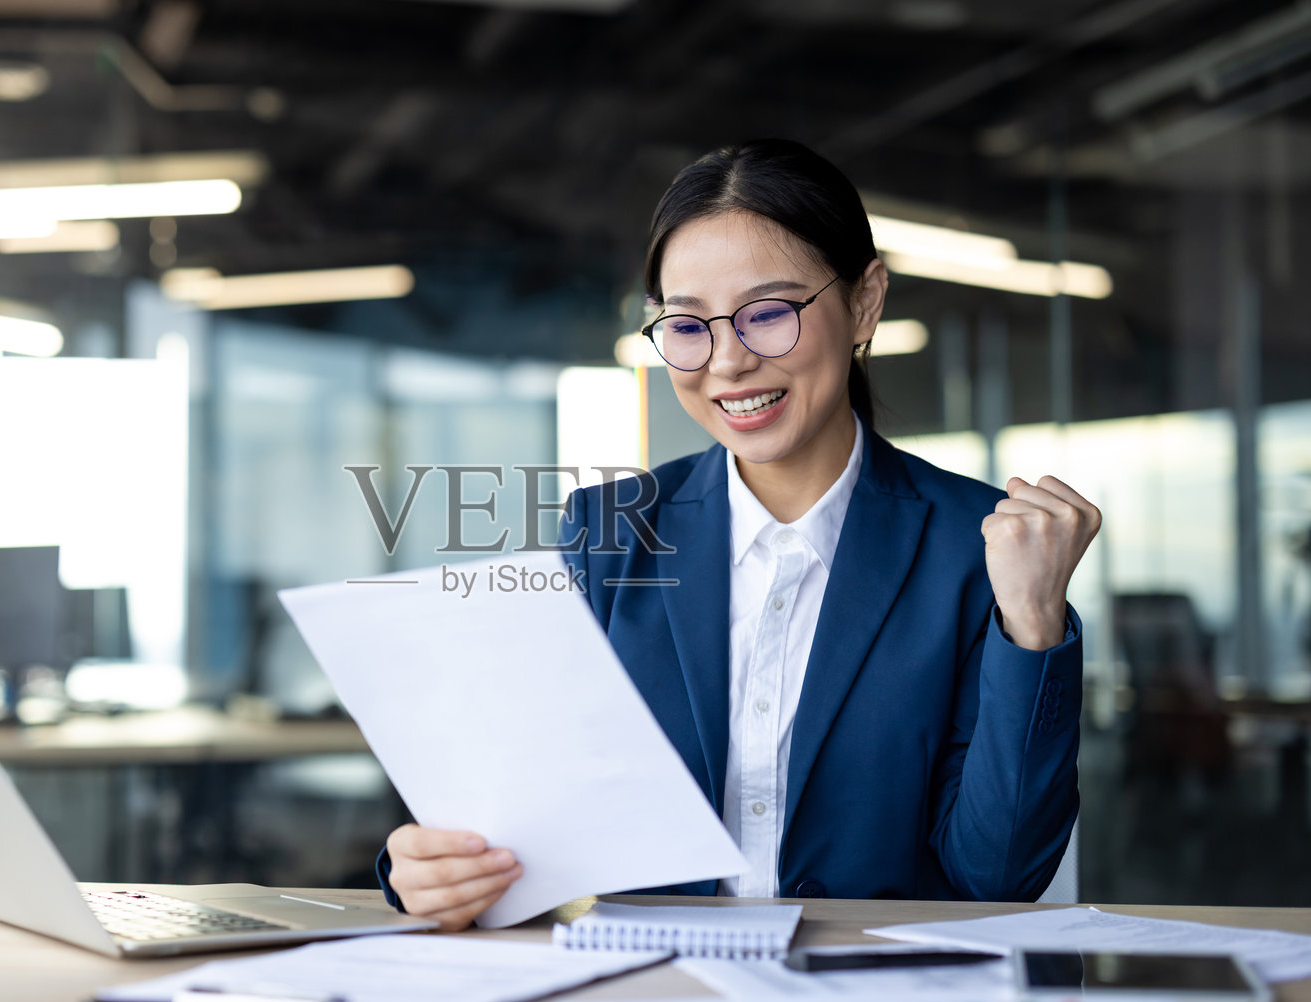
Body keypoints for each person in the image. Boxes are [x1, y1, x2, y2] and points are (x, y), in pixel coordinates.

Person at [378, 138, 1101, 932]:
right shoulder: (609, 535)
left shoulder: (977, 549)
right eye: (687, 326)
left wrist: (1031, 627)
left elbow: (997, 875)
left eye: (769, 313)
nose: (727, 362)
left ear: (864, 302)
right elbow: (520, 807)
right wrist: (432, 867)